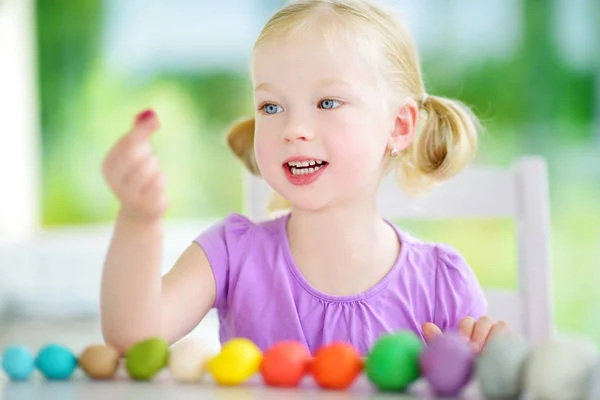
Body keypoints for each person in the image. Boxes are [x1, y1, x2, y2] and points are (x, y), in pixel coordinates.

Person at [99, 0, 509, 357]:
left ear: (399, 126)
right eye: (271, 106)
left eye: (327, 102)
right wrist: (138, 219)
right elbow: (134, 339)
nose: (294, 128)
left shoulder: (442, 281)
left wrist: (478, 368)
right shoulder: (230, 254)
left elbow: (484, 382)